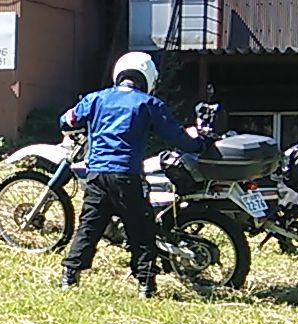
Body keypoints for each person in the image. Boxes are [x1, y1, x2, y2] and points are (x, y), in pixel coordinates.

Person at [57, 51, 205, 298]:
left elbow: (65, 121)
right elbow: (176, 136)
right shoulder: (149, 103)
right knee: (141, 228)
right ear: (148, 78)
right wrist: (200, 145)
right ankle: (146, 284)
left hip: (96, 174)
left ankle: (69, 276)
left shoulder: (96, 98)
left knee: (89, 226)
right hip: (126, 174)